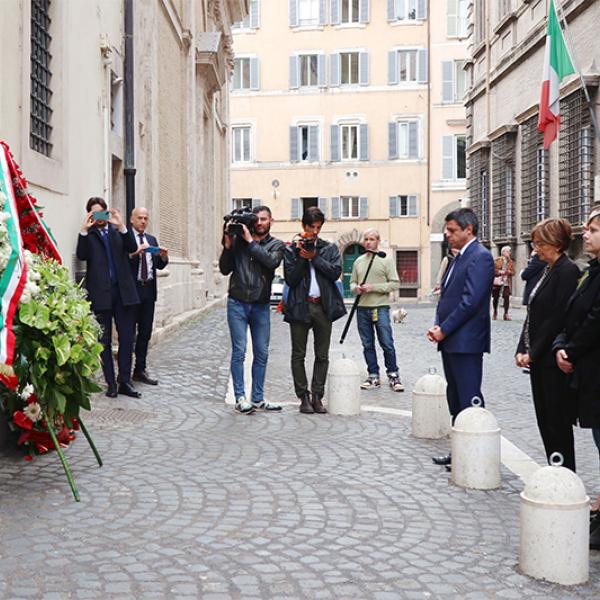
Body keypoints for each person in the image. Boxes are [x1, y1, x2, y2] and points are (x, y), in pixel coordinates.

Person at [426, 208, 494, 468]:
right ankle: (460, 449)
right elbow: (447, 297)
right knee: (454, 396)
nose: (447, 234)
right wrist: (437, 325)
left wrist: (444, 328)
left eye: (452, 230)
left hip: (466, 341)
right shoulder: (456, 258)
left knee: (469, 397)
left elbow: (470, 302)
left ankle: (475, 452)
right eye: (447, 229)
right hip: (451, 338)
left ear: (468, 230)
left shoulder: (480, 257)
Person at [515, 218, 580, 471]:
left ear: (556, 243)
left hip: (551, 360)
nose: (536, 248)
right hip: (538, 360)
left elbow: (556, 319)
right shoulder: (545, 270)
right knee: (544, 419)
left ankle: (564, 472)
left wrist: (533, 352)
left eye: (540, 243)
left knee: (556, 421)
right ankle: (554, 467)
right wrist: (521, 348)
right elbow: (533, 313)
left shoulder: (567, 271)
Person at [552, 207, 600, 548]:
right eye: (586, 229)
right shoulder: (591, 271)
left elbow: (596, 320)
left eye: (594, 230)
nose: (586, 235)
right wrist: (562, 344)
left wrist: (570, 349)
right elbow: (571, 314)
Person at [219, 205, 285, 414]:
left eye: (264, 219)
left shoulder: (276, 244)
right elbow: (224, 269)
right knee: (239, 351)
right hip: (237, 302)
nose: (259, 222)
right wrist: (228, 245)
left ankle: (257, 398)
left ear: (270, 221)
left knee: (262, 353)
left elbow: (271, 262)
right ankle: (240, 397)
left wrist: (249, 242)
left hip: (260, 305)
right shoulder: (238, 242)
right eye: (256, 219)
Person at [76, 197, 140, 398]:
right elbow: (81, 255)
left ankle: (125, 382)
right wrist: (84, 230)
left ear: (107, 212)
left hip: (123, 293)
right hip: (101, 295)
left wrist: (121, 226)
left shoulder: (117, 232)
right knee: (103, 341)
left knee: (127, 338)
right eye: (94, 214)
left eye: (102, 213)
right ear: (90, 215)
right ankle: (110, 383)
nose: (99, 218)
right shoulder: (90, 235)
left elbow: (132, 248)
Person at [284, 206, 346, 414]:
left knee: (322, 354)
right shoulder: (292, 249)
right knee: (298, 354)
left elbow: (335, 273)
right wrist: (302, 256)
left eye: (318, 227)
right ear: (303, 226)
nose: (315, 232)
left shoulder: (329, 248)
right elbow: (291, 279)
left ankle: (318, 395)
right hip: (300, 305)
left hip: (322, 306)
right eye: (311, 227)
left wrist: (314, 257)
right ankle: (303, 396)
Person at [350, 228, 403, 392]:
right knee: (367, 344)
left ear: (378, 241)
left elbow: (395, 283)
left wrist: (373, 287)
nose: (368, 242)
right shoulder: (358, 261)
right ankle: (373, 375)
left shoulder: (385, 260)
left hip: (380, 307)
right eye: (366, 239)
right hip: (362, 308)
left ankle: (393, 375)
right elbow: (351, 282)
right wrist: (356, 289)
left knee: (387, 342)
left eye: (371, 239)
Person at [128, 207, 169, 386]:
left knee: (145, 332)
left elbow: (158, 265)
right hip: (132, 290)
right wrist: (136, 252)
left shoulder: (151, 239)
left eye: (146, 218)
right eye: (140, 218)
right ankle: (124, 371)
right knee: (129, 333)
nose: (143, 221)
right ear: (132, 220)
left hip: (148, 291)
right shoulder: (127, 238)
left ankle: (140, 369)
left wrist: (164, 257)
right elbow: (122, 261)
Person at [492, 245, 515, 320]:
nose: (509, 253)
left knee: (506, 297)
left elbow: (513, 272)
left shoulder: (510, 261)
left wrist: (509, 272)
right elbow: (492, 270)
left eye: (509, 251)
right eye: (508, 251)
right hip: (497, 281)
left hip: (506, 282)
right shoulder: (497, 260)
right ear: (503, 252)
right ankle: (495, 312)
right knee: (496, 297)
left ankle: (506, 314)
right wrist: (499, 272)